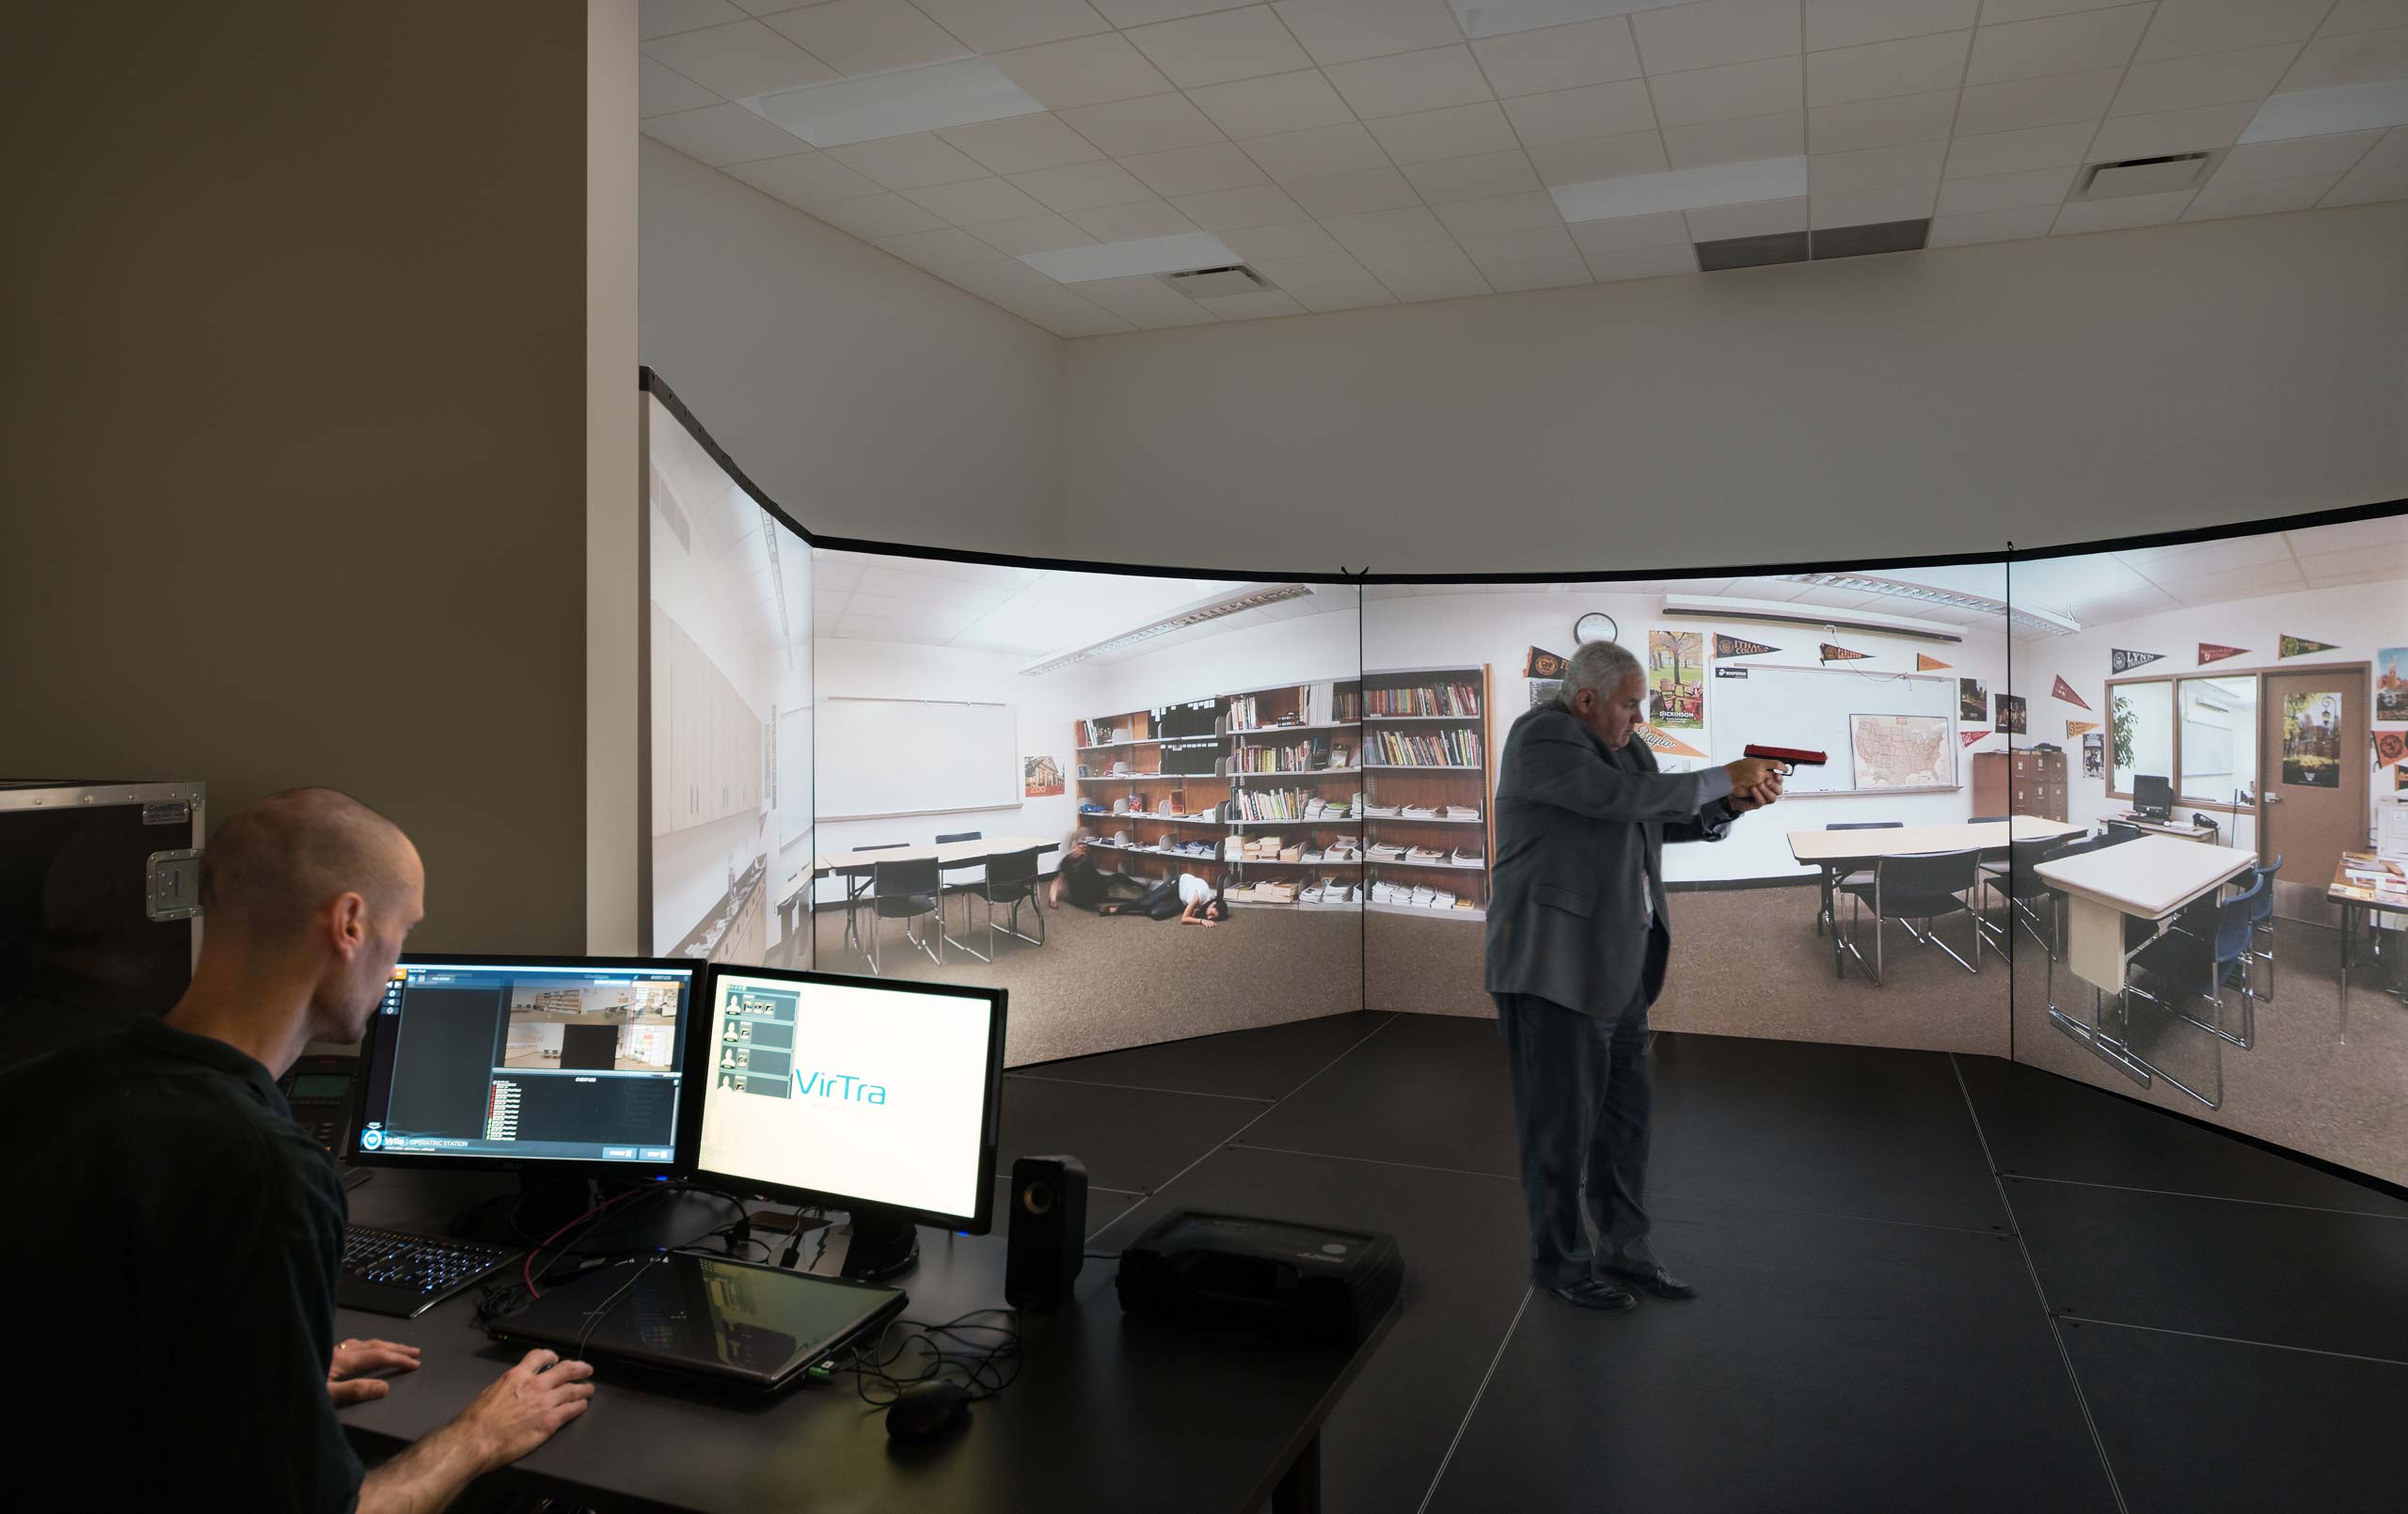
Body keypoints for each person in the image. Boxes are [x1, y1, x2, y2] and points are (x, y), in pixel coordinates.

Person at [0, 788, 595, 1512]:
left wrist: (273, 1372)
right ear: (349, 924)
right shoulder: (268, 1171)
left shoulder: (36, 1091)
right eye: (403, 930)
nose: (397, 963)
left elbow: (90, 1348)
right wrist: (483, 1432)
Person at [1486, 642, 1783, 1313]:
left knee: (1625, 1125)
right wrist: (1721, 773)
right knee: (1559, 1129)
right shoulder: (1541, 736)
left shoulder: (1632, 753)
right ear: (1587, 700)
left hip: (1618, 965)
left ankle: (1625, 1249)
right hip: (1551, 967)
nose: (1640, 716)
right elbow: (1616, 799)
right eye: (1630, 703)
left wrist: (1731, 806)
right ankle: (1560, 1264)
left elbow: (1651, 820)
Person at [1047, 834, 1146, 910]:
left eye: (1083, 847)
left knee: (1119, 877)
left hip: (1095, 885)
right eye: (1078, 846)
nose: (1081, 849)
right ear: (1073, 846)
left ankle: (1143, 888)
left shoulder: (1085, 858)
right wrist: (1053, 900)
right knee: (1088, 872)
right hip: (1082, 895)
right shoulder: (1067, 861)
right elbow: (1057, 882)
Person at [1099, 868, 1227, 924]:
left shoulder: (1207, 905)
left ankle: (1154, 894)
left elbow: (1193, 912)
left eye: (1211, 918)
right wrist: (1201, 921)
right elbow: (1184, 919)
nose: (1209, 917)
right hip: (1177, 884)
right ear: (1213, 904)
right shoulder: (1200, 896)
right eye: (1212, 914)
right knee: (1146, 903)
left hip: (1181, 900)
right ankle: (1116, 909)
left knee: (1156, 914)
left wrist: (1197, 913)